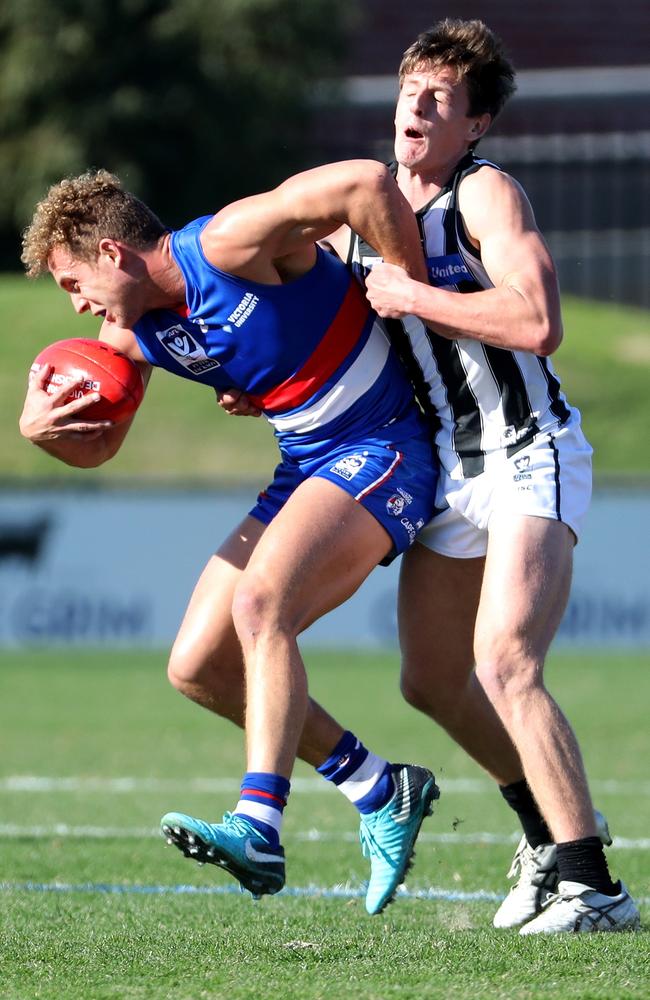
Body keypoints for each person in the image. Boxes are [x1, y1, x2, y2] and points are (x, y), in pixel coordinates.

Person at [220, 19, 640, 934]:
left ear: (475, 125)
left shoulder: (485, 198)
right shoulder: (354, 224)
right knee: (431, 680)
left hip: (529, 452)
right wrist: (262, 387)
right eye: (412, 89)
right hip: (450, 471)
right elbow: (317, 329)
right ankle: (546, 835)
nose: (418, 104)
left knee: (505, 661)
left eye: (442, 98)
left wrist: (417, 297)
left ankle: (596, 887)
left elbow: (537, 325)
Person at [19, 160, 442, 913]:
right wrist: (37, 425)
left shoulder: (227, 243)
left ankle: (258, 826)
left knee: (260, 606)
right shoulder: (133, 328)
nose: (78, 307)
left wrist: (414, 302)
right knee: (198, 666)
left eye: (72, 283)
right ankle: (380, 788)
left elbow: (368, 187)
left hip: (384, 447)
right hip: (306, 462)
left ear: (113, 254)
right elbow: (99, 447)